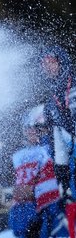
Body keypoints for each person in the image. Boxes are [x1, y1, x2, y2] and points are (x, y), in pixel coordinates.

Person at [8, 105, 69, 238]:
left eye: (36, 127)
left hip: (54, 203)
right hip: (28, 208)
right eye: (27, 128)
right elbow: (21, 187)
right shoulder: (19, 156)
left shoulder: (52, 147)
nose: (31, 132)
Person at [38, 45, 75, 201]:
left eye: (51, 62)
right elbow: (57, 141)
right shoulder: (51, 102)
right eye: (44, 64)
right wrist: (62, 177)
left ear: (61, 63)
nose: (48, 67)